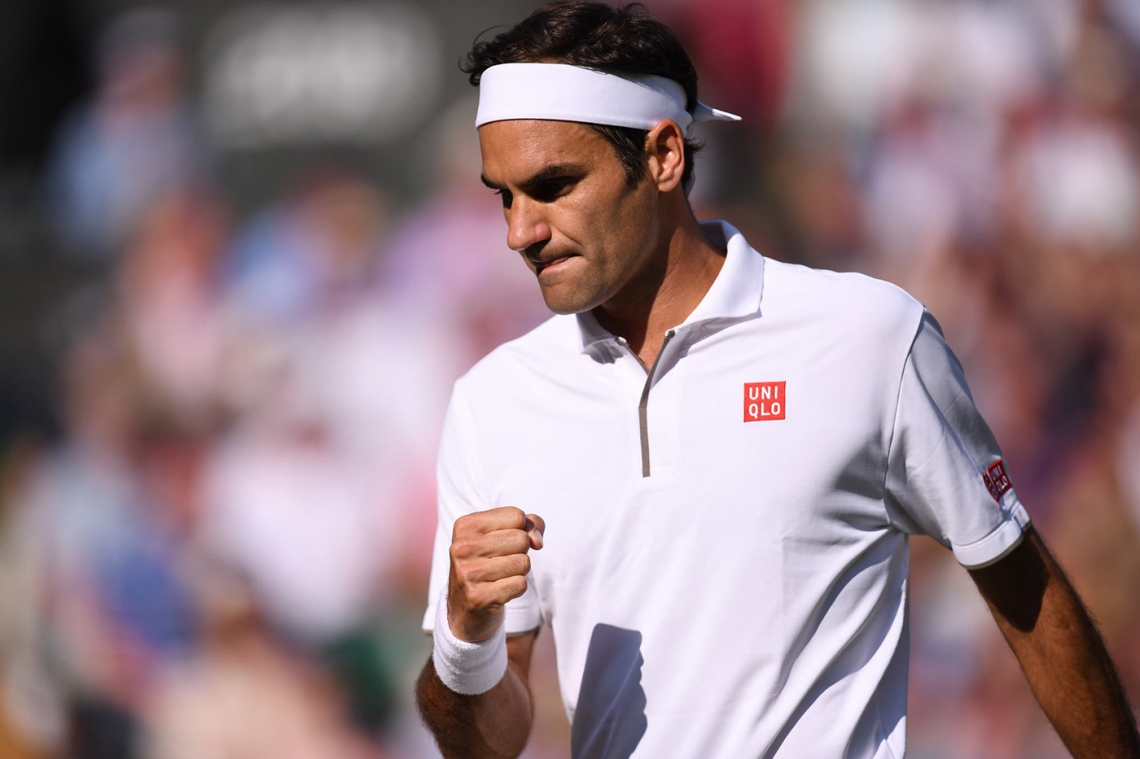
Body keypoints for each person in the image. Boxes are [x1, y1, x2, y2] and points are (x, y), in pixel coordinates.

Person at [414, 3, 1140, 758]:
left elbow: (1027, 591)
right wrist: (466, 637)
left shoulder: (870, 336)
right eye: (505, 195)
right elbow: (490, 744)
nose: (519, 232)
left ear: (663, 156)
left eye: (553, 185)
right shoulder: (492, 403)